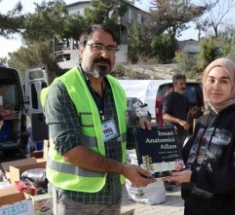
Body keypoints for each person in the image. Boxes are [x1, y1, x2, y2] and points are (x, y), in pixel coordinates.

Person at [41, 24, 155, 215]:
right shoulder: (62, 89)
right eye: (97, 46)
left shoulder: (116, 88)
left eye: (111, 49)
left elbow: (121, 139)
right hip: (75, 198)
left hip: (111, 195)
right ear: (81, 49)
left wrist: (144, 128)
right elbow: (69, 150)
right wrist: (123, 169)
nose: (105, 54)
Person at [163, 58, 235, 215]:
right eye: (211, 80)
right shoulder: (204, 120)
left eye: (224, 81)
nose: (216, 87)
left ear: (234, 84)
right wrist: (165, 168)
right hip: (194, 206)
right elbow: (186, 158)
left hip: (224, 209)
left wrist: (194, 176)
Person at [162, 74, 191, 149]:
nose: (184, 86)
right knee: (172, 156)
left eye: (185, 84)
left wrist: (191, 112)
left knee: (180, 155)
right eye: (181, 84)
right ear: (174, 84)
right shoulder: (169, 98)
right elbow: (164, 115)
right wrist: (179, 121)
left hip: (182, 133)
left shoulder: (185, 98)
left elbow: (186, 112)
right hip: (171, 133)